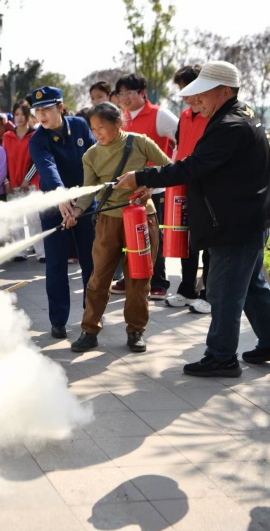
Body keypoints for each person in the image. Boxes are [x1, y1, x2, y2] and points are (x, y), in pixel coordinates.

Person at [116, 60, 270, 376]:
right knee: (252, 285)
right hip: (248, 217)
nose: (195, 100)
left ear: (225, 91)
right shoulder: (241, 117)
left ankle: (221, 356)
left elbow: (191, 166)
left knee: (223, 290)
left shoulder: (229, 126)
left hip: (234, 223)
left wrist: (142, 176)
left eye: (202, 94)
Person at [65, 102, 170, 352]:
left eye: (102, 127)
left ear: (118, 123)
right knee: (99, 277)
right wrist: (76, 211)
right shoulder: (91, 155)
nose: (97, 133)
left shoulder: (140, 142)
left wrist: (150, 186)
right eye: (93, 128)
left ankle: (136, 331)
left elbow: (169, 168)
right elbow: (88, 192)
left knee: (139, 277)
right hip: (109, 220)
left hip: (142, 218)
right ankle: (89, 330)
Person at [28, 86, 97, 340]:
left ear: (60, 106)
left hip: (85, 203)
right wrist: (61, 197)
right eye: (37, 110)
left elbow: (93, 159)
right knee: (56, 265)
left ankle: (91, 317)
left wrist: (80, 202)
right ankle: (58, 321)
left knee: (90, 262)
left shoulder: (80, 126)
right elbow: (48, 169)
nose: (41, 115)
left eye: (46, 109)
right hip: (53, 206)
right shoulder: (37, 139)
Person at [112, 74, 179, 300]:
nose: (124, 98)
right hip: (128, 187)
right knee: (128, 234)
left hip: (155, 188)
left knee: (152, 234)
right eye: (120, 94)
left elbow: (184, 137)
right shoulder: (123, 118)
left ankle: (159, 282)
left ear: (142, 92)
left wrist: (171, 169)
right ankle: (129, 276)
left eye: (129, 93)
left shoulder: (160, 115)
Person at [164, 65, 212, 314]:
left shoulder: (212, 115)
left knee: (208, 240)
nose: (183, 93)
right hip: (184, 183)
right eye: (181, 88)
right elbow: (179, 148)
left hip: (207, 185)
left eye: (187, 87)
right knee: (187, 239)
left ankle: (208, 293)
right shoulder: (183, 116)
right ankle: (186, 288)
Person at [3, 102, 44, 263]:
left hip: (31, 184)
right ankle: (20, 252)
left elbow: (37, 160)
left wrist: (27, 179)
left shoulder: (35, 136)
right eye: (17, 114)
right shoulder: (7, 137)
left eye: (23, 114)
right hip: (12, 185)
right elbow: (3, 161)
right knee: (16, 220)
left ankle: (41, 253)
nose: (19, 118)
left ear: (28, 117)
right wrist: (6, 181)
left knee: (34, 219)